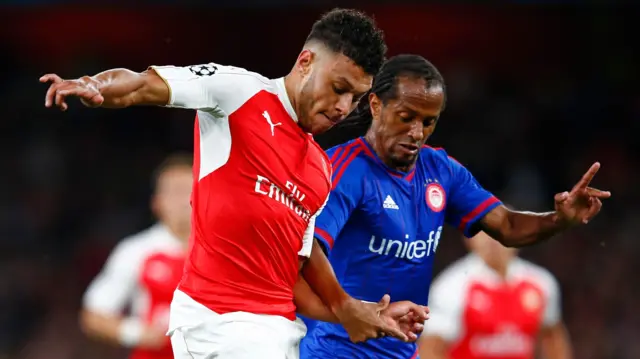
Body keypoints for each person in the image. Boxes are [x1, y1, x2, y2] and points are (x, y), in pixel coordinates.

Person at [41, 8, 428, 359]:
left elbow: (296, 269)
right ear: (306, 62)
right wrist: (97, 86)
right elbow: (144, 84)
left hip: (277, 335)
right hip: (220, 325)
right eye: (339, 88)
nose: (344, 107)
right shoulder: (239, 93)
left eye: (356, 98)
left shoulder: (319, 169)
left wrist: (358, 310)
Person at [300, 54, 609, 359]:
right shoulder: (343, 170)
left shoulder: (442, 171)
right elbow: (308, 248)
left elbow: (507, 226)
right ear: (376, 105)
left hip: (402, 353)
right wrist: (347, 309)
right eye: (406, 117)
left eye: (428, 121)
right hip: (335, 351)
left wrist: (559, 219)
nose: (417, 133)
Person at [80, 153, 193, 359]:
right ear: (156, 203)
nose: (184, 200)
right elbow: (93, 316)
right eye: (175, 191)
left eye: (189, 190)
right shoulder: (136, 251)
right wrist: (137, 333)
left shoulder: (229, 250)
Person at [419, 230, 573, 359]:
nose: (493, 241)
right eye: (485, 233)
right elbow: (431, 349)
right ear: (469, 239)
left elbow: (553, 338)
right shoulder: (450, 287)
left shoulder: (541, 283)